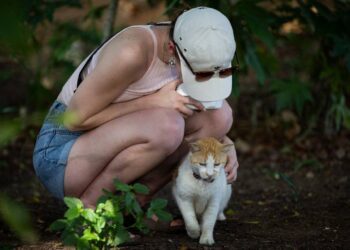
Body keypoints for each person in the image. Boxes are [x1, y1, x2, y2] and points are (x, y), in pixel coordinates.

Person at [32, 7, 239, 211]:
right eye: (200, 75)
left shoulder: (197, 45)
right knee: (167, 126)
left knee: (220, 117)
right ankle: (90, 207)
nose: (204, 80)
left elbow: (211, 115)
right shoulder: (132, 51)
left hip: (114, 138)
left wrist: (221, 143)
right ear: (171, 49)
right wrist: (153, 101)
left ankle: (134, 207)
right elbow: (73, 120)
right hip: (62, 155)